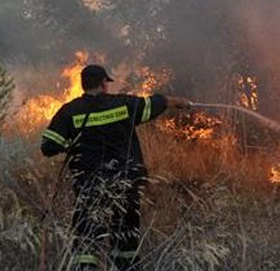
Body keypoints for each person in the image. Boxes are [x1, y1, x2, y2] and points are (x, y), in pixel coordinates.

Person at [40, 64, 191, 270]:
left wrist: (72, 143)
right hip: (126, 183)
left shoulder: (69, 111)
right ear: (104, 83)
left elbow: (48, 146)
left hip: (90, 185)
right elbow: (156, 102)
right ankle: (125, 266)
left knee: (87, 236)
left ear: (83, 84)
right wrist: (180, 102)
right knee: (126, 234)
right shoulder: (123, 104)